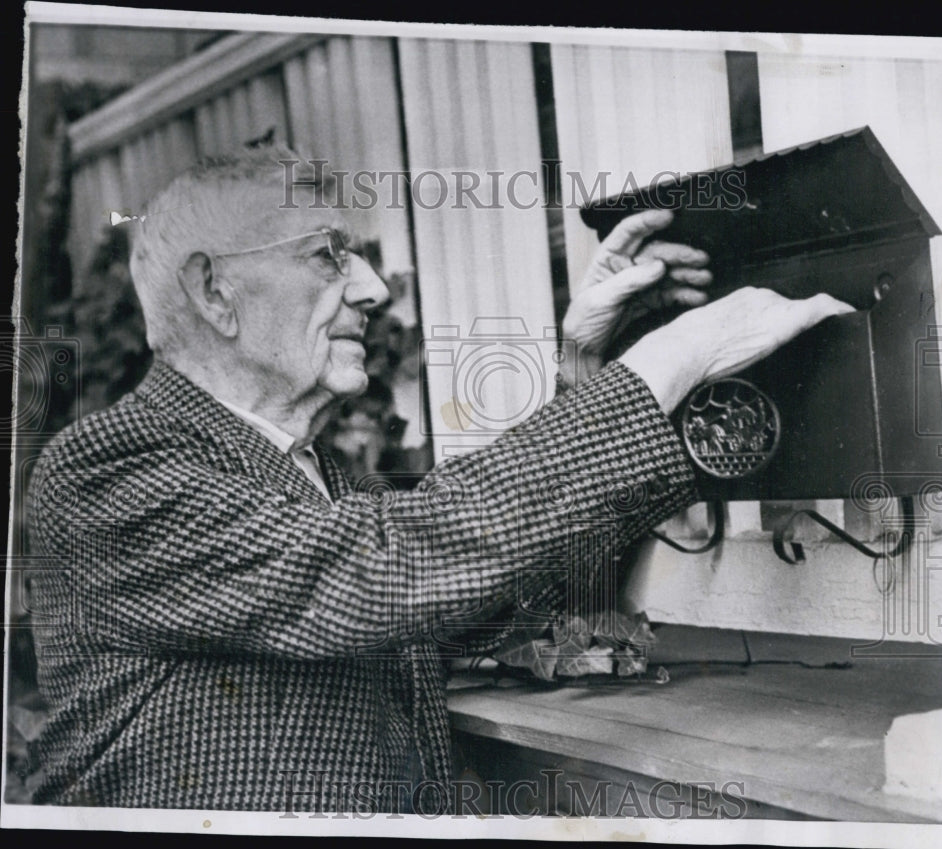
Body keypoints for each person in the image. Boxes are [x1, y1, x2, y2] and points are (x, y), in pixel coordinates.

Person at [25, 145, 852, 812]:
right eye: (328, 255)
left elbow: (487, 601)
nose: (373, 288)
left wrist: (585, 367)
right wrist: (667, 362)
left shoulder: (325, 480)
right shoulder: (103, 471)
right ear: (215, 289)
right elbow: (382, 568)